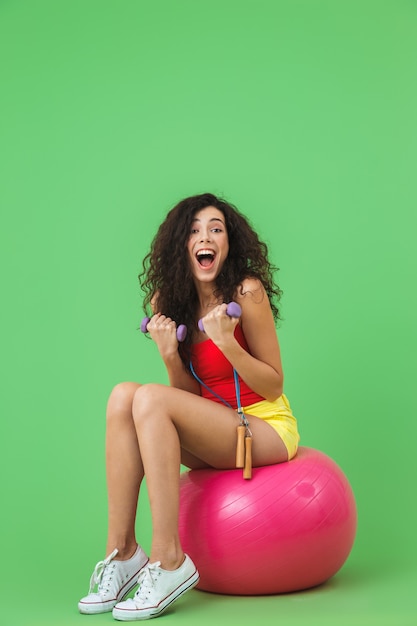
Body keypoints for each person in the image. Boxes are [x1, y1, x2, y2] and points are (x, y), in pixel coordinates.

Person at [78, 192, 300, 620]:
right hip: (219, 430)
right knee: (125, 395)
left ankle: (170, 560)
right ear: (182, 244)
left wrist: (227, 345)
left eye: (216, 228)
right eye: (196, 230)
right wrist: (168, 356)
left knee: (147, 397)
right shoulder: (169, 301)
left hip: (266, 428)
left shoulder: (246, 292)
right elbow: (190, 400)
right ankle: (122, 552)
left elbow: (273, 385)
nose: (207, 236)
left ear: (229, 242)